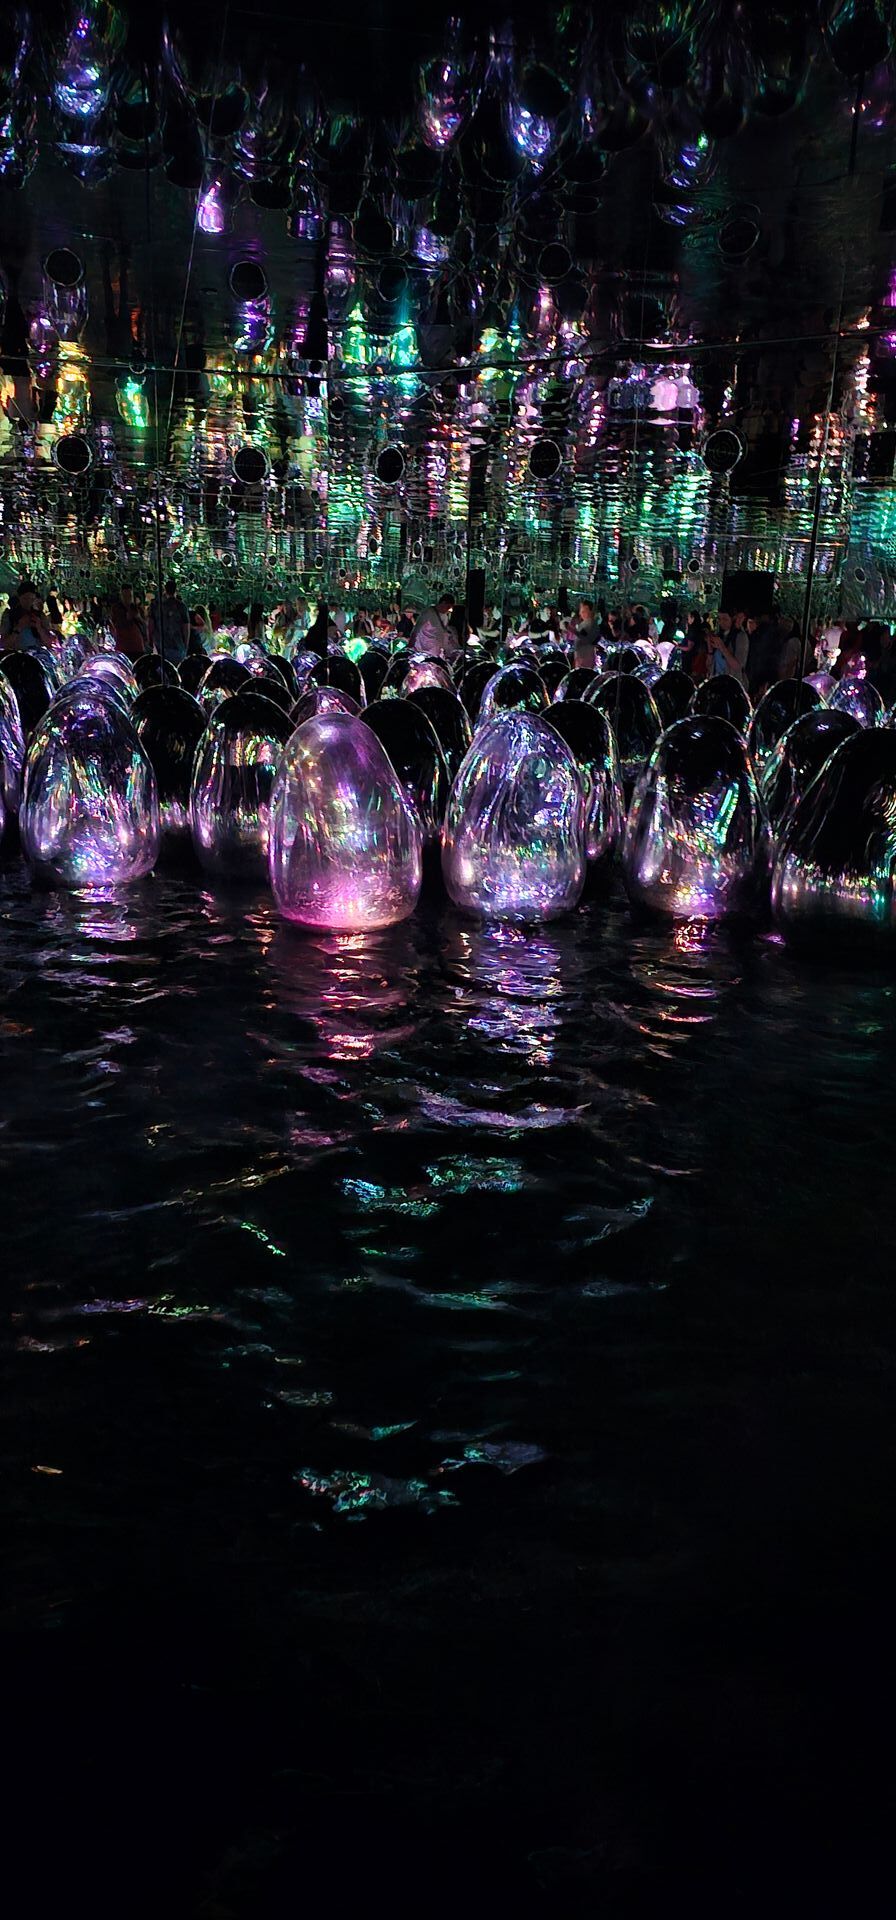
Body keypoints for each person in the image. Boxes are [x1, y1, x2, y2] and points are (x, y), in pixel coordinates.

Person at [149, 577, 190, 661]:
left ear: (165, 589)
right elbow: (186, 627)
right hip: (177, 645)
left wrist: (150, 640)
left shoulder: (156, 605)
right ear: (176, 590)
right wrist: (186, 644)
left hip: (160, 644)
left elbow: (151, 625)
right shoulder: (181, 606)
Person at [708, 609, 749, 684]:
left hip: (730, 683)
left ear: (732, 619)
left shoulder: (740, 636)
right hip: (716, 681)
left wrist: (722, 647)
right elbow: (709, 665)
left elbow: (738, 666)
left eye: (725, 619)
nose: (721, 622)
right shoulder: (719, 636)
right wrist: (710, 649)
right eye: (719, 619)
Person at [409, 592, 454, 658]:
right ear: (443, 603)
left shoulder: (445, 617)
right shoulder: (427, 613)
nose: (448, 609)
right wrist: (411, 644)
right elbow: (416, 629)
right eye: (448, 607)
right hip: (423, 650)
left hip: (437, 651)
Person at [108, 584, 147, 661]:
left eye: (129, 596)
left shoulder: (137, 608)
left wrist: (138, 617)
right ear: (121, 595)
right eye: (125, 596)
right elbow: (115, 624)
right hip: (123, 646)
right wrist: (126, 619)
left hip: (137, 645)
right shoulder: (116, 608)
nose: (127, 598)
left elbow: (145, 623)